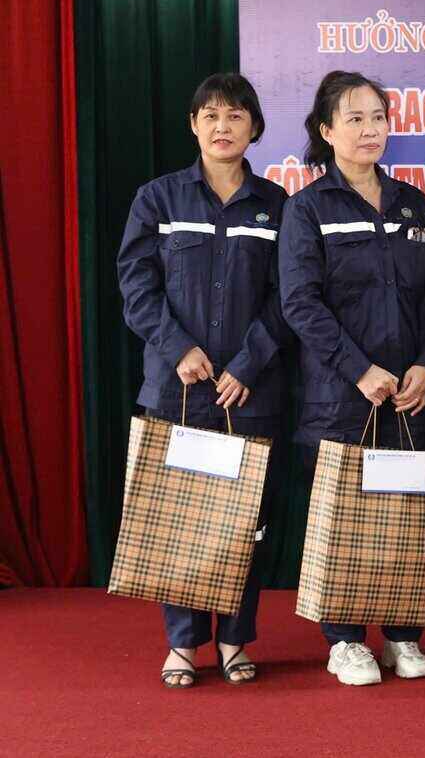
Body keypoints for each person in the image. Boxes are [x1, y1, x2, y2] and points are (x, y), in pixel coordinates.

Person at [117, 72, 290, 688]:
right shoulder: (158, 200)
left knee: (249, 521)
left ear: (254, 128)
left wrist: (249, 363)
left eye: (236, 116)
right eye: (211, 115)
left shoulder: (278, 207)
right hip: (178, 389)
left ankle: (237, 641)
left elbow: (288, 297)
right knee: (181, 518)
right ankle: (183, 644)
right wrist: (178, 348)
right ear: (194, 125)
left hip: (252, 392)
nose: (223, 126)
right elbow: (136, 287)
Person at [278, 70, 425, 686]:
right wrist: (359, 370)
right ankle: (345, 638)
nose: (370, 129)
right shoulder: (307, 208)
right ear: (326, 131)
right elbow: (300, 303)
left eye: (378, 116)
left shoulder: (411, 203)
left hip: (409, 390)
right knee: (343, 513)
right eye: (354, 119)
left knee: (404, 511)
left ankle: (403, 633)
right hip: (339, 393)